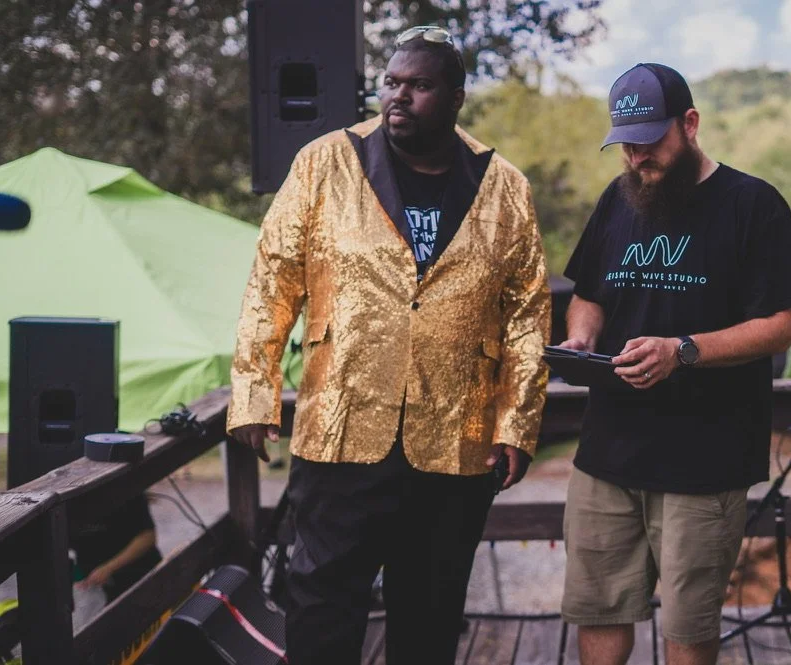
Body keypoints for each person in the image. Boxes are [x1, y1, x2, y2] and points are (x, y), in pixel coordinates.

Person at [226, 25, 550, 665]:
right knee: (320, 601)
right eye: (391, 83)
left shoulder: (503, 184)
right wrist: (254, 394)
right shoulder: (325, 162)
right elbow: (272, 283)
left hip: (456, 436)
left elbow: (528, 312)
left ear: (456, 97)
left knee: (430, 610)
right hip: (342, 427)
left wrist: (517, 421)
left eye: (420, 86)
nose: (398, 97)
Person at [557, 63, 791, 665]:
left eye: (651, 141)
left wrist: (683, 351)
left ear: (691, 123)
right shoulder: (617, 200)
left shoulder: (753, 204)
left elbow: (781, 325)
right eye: (627, 143)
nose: (637, 157)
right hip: (608, 453)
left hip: (705, 460)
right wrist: (580, 340)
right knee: (598, 607)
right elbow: (590, 293)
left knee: (689, 623)